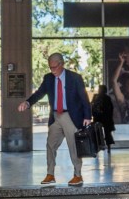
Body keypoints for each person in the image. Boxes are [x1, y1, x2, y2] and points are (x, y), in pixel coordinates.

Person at [18, 53, 91, 186]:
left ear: (61, 64)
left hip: (71, 116)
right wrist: (28, 103)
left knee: (73, 146)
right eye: (50, 68)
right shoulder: (48, 78)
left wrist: (87, 116)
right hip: (56, 117)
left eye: (55, 67)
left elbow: (84, 98)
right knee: (50, 145)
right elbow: (39, 93)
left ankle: (77, 175)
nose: (52, 70)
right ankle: (50, 174)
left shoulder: (74, 78)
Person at [91, 84, 115, 154]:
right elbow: (93, 105)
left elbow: (110, 109)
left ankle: (108, 147)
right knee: (97, 132)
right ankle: (98, 147)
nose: (99, 90)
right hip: (97, 117)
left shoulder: (107, 98)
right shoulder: (96, 96)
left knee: (107, 133)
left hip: (105, 118)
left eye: (100, 89)